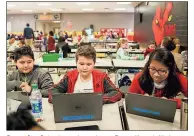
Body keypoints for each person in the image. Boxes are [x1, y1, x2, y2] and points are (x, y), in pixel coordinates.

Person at [48, 45, 122, 104]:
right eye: (81, 64)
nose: (85, 67)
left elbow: (116, 93)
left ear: (94, 64)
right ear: (76, 63)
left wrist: (97, 99)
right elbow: (53, 91)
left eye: (89, 64)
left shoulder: (102, 77)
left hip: (95, 110)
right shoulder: (70, 76)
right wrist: (66, 100)